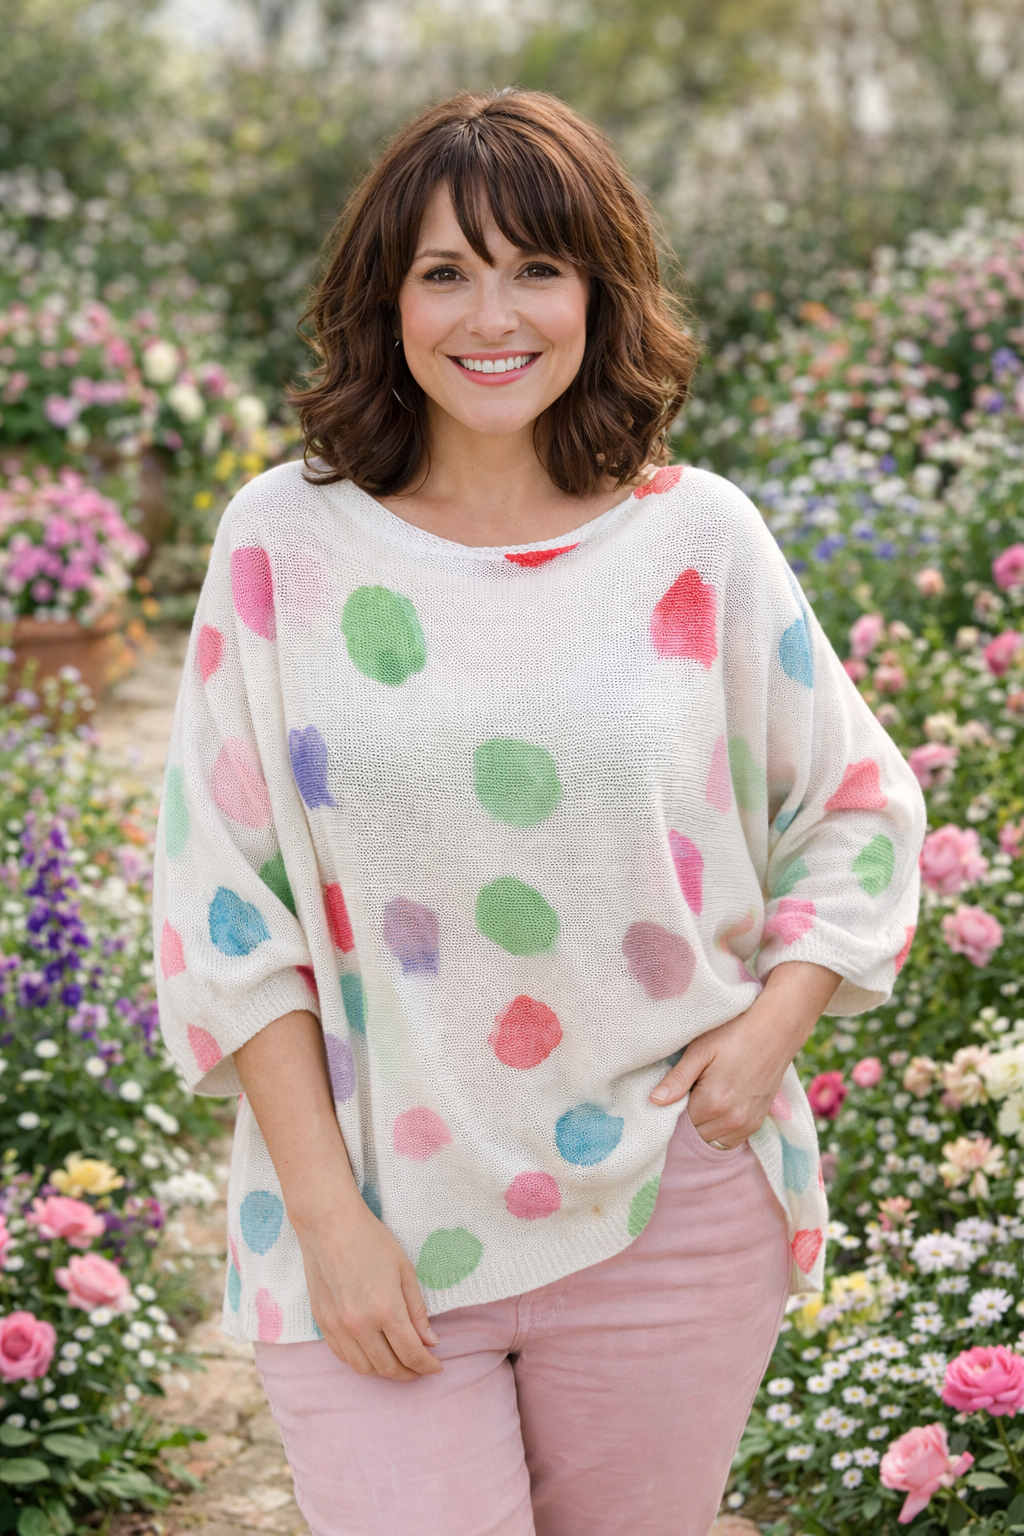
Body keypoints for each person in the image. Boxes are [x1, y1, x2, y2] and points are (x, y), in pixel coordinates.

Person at [154, 89, 925, 1536]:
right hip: (376, 1219)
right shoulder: (283, 545)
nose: (489, 313)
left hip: (669, 1208)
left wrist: (770, 1037)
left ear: (596, 292)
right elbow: (222, 904)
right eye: (445, 270)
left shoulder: (698, 538)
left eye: (536, 267)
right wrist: (330, 1223)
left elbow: (861, 806)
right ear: (385, 302)